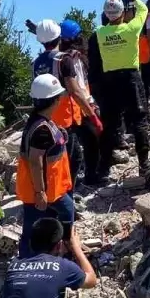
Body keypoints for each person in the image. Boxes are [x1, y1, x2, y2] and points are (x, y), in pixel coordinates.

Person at [15, 74, 78, 256]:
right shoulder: (41, 129)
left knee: (36, 225)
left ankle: (47, 251)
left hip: (49, 188)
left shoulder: (42, 122)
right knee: (64, 212)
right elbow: (35, 161)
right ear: (55, 100)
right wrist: (40, 192)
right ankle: (65, 246)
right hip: (44, 190)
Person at [32, 19, 96, 185]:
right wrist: (93, 115)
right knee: (72, 158)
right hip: (65, 120)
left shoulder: (37, 63)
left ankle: (55, 192)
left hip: (45, 118)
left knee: (54, 158)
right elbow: (75, 91)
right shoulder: (64, 60)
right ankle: (65, 196)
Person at [97, 0, 150, 177]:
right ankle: (144, 163)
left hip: (109, 80)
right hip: (130, 78)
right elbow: (143, 9)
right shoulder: (131, 29)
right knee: (139, 119)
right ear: (122, 13)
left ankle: (103, 168)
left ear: (105, 14)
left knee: (110, 123)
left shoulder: (100, 33)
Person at [59, 19, 105, 186]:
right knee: (91, 141)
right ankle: (89, 177)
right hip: (79, 107)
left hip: (68, 110)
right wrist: (91, 110)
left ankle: (77, 179)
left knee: (74, 148)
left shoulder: (60, 58)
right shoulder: (73, 59)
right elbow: (78, 89)